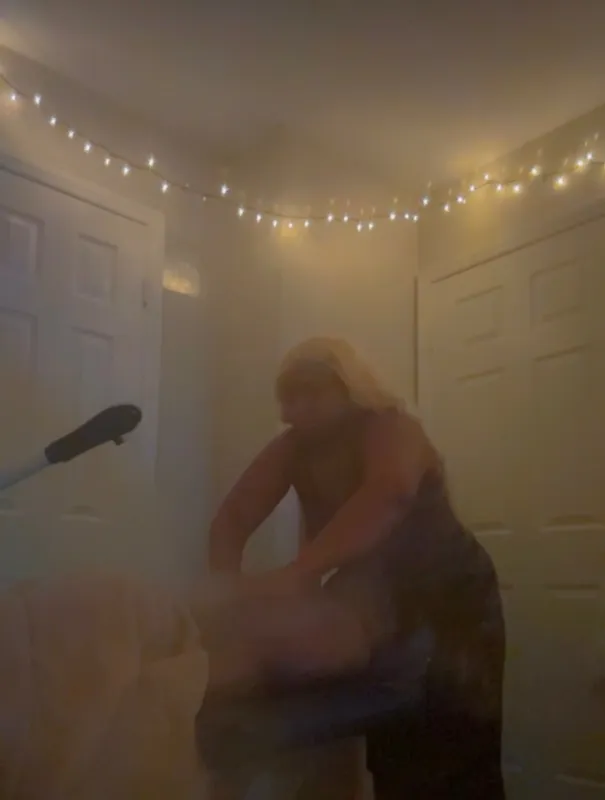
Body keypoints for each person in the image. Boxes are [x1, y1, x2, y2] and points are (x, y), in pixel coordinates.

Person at [197, 337, 506, 800]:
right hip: (377, 603)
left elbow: (390, 492)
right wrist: (226, 596)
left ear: (349, 388)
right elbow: (233, 518)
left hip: (450, 601)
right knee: (393, 763)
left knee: (452, 757)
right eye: (288, 397)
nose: (294, 409)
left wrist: (297, 574)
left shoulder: (391, 427)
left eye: (310, 394)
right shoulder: (293, 448)